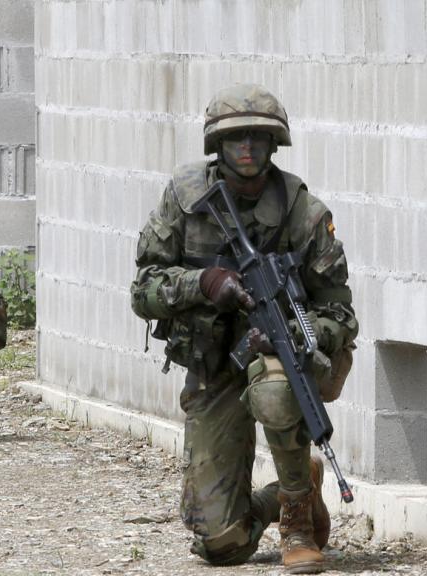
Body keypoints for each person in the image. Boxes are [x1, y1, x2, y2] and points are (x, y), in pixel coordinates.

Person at [129, 84, 359, 574]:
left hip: (281, 356)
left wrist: (302, 335)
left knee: (278, 391)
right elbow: (143, 289)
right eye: (237, 140)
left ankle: (297, 521)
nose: (248, 149)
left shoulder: (304, 212)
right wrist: (205, 282)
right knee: (221, 545)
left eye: (258, 138)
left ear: (274, 143)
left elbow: (341, 313)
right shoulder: (186, 199)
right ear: (218, 146)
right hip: (214, 364)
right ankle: (292, 489)